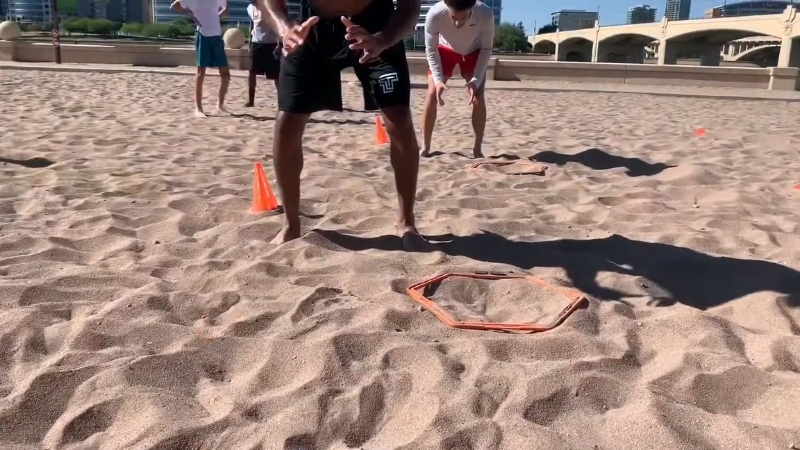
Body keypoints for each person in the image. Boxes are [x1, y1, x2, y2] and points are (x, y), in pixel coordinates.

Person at [256, 0, 423, 247]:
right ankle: (291, 224)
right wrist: (285, 29)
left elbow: (410, 6)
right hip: (312, 29)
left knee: (399, 119)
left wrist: (384, 39)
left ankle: (407, 221)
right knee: (288, 120)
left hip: (376, 26)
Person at [421, 0, 494, 158]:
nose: (457, 23)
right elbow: (431, 49)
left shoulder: (485, 14)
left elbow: (487, 48)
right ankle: (425, 147)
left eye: (463, 17)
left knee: (478, 98)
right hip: (444, 50)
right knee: (432, 94)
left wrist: (475, 79)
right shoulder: (434, 14)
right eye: (453, 17)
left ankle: (477, 148)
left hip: (473, 51)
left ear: (472, 7)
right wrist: (439, 80)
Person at [171, 0, 231, 118]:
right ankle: (198, 108)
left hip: (217, 36)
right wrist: (191, 15)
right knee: (200, 73)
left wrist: (217, 16)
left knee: (226, 74)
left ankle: (220, 106)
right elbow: (175, 5)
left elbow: (226, 10)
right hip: (203, 35)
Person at [245, 0, 281, 107]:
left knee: (277, 76)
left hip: (271, 43)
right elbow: (252, 24)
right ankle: (251, 100)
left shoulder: (272, 6)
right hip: (257, 43)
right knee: (252, 72)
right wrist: (250, 42)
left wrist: (280, 43)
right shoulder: (251, 7)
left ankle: (281, 102)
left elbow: (279, 25)